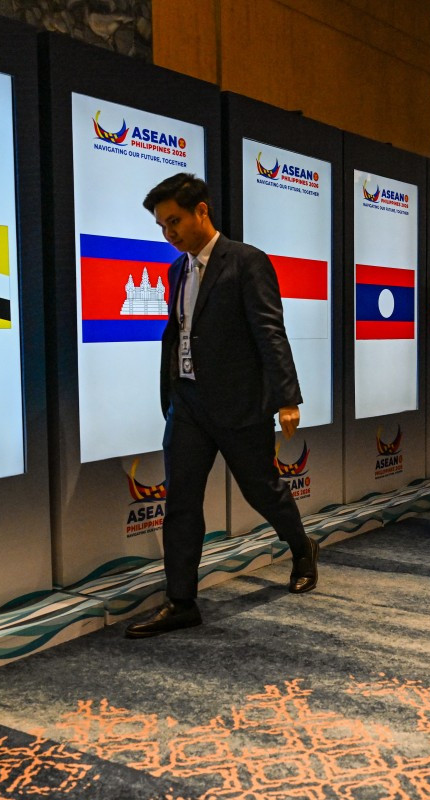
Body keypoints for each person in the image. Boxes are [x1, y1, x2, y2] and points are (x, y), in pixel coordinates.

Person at [125, 173, 318, 638]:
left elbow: (269, 330)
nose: (169, 233)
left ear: (202, 211)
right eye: (161, 226)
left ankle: (301, 548)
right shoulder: (176, 270)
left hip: (238, 404)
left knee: (262, 490)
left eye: (175, 221)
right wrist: (172, 390)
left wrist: (287, 397)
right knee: (181, 501)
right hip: (187, 404)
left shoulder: (246, 262)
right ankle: (182, 600)